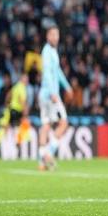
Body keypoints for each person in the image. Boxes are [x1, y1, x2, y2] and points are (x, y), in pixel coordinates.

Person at [37, 25, 73, 170]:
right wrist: (53, 92)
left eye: (57, 35)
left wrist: (67, 86)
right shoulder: (47, 51)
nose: (55, 37)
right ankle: (49, 153)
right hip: (50, 94)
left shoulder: (51, 51)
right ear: (47, 36)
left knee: (46, 125)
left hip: (44, 94)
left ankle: (41, 161)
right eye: (52, 35)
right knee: (64, 123)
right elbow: (46, 72)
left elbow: (57, 72)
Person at [0, 73, 30, 153]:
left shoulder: (16, 86)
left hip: (10, 110)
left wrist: (7, 105)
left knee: (5, 128)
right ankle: (18, 143)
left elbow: (8, 95)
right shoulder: (22, 88)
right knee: (24, 124)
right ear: (22, 79)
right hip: (16, 111)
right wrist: (25, 113)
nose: (27, 81)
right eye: (26, 79)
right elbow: (22, 101)